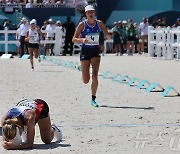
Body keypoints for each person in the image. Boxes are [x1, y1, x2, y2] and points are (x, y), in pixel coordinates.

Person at [72, 5, 109, 107]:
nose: (91, 14)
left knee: (95, 75)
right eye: (88, 12)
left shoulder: (99, 23)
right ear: (86, 14)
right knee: (85, 80)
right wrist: (82, 40)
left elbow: (107, 34)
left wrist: (106, 36)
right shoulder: (82, 25)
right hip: (85, 51)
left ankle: (93, 98)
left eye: (92, 12)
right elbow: (73, 39)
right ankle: (83, 69)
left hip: (95, 51)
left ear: (94, 13)